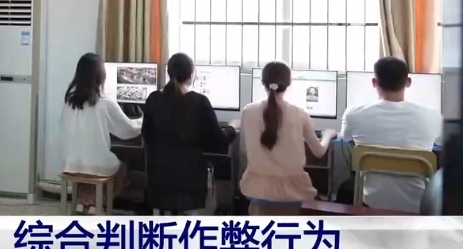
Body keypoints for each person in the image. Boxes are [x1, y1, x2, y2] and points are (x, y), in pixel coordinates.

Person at [340, 56, 442, 212]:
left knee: (345, 188)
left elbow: (346, 138)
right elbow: (441, 142)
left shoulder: (353, 114)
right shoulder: (433, 116)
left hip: (370, 200)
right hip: (418, 205)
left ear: (374, 83)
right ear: (408, 82)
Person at [142, 53, 238, 215]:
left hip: (158, 182)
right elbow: (219, 141)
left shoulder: (153, 99)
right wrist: (232, 128)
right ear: (192, 75)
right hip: (190, 185)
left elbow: (147, 135)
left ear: (169, 73)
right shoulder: (200, 102)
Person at [240, 61, 336, 215]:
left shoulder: (248, 111)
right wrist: (328, 135)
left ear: (263, 83)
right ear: (288, 84)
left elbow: (244, 150)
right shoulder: (299, 114)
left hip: (257, 190)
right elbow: (319, 152)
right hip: (294, 192)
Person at [60, 53, 141, 213]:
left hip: (69, 162)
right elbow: (128, 130)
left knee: (85, 166)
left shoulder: (69, 100)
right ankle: (100, 203)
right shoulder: (104, 101)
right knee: (121, 168)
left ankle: (86, 202)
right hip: (96, 165)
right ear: (100, 75)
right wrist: (143, 120)